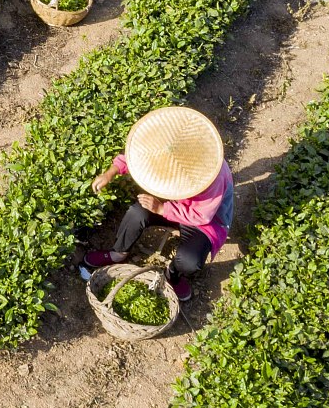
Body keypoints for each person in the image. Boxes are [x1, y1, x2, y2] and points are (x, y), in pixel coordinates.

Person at [81, 106, 234, 302]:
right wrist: (111, 172)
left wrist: (162, 209)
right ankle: (118, 253)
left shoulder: (212, 177)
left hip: (203, 221)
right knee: (137, 212)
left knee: (190, 261)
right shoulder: (170, 146)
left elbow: (202, 216)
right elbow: (138, 157)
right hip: (172, 201)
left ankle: (173, 274)